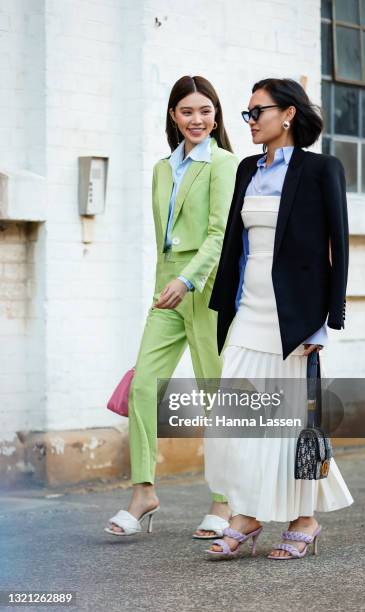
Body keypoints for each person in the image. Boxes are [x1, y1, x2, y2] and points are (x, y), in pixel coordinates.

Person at [204, 78, 354, 559]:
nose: (249, 121)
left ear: (287, 114)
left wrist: (325, 320)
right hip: (250, 310)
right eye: (247, 113)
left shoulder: (320, 169)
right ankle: (247, 514)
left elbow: (338, 246)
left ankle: (304, 519)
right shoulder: (247, 169)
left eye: (257, 112)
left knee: (291, 423)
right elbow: (237, 245)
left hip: (295, 319)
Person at [104, 75, 239, 537]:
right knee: (144, 385)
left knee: (214, 391)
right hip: (166, 289)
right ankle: (143, 492)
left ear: (216, 115)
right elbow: (164, 238)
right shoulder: (163, 168)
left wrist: (187, 279)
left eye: (205, 110)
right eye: (187, 111)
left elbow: (220, 233)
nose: (196, 119)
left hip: (206, 285)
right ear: (173, 116)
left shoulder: (225, 164)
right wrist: (168, 281)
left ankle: (224, 501)